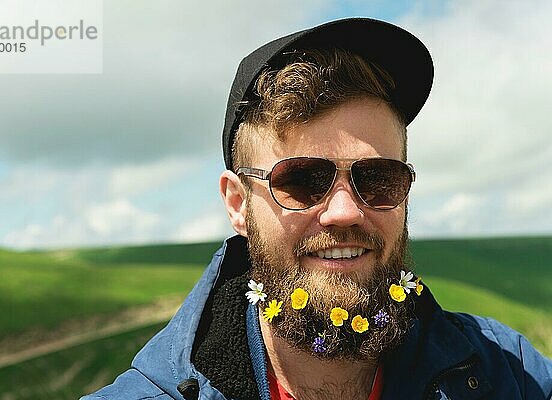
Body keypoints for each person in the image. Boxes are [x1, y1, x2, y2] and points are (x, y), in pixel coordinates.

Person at [81, 18, 552, 400]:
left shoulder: (512, 376)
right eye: (302, 180)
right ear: (238, 203)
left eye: (378, 178)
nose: (345, 211)